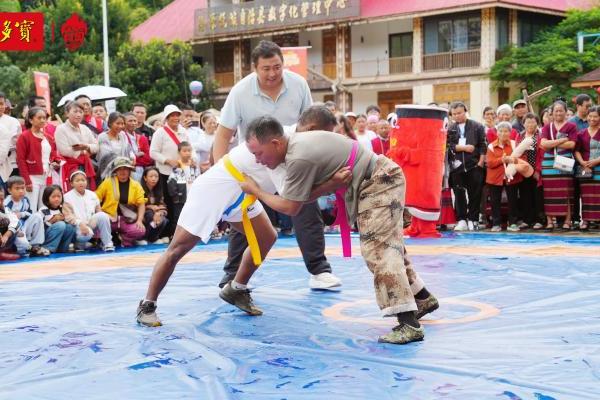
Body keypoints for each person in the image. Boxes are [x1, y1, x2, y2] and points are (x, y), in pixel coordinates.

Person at [237, 116, 438, 345]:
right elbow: (301, 199)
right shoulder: (296, 148)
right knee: (389, 247)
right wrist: (329, 185)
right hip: (378, 178)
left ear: (275, 143)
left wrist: (255, 190)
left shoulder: (298, 156)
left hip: (379, 180)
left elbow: (290, 207)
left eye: (258, 153)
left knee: (380, 251)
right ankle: (422, 298)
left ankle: (409, 324)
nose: (258, 160)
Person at [211, 40, 341, 290]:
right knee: (245, 215)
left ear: (283, 64)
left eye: (277, 67)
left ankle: (319, 270)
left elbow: (311, 124)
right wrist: (222, 173)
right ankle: (232, 275)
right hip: (254, 162)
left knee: (306, 208)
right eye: (266, 68)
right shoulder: (240, 91)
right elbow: (223, 134)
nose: (272, 73)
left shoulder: (298, 84)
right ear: (254, 68)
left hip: (293, 160)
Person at [150, 104, 189, 238]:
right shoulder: (160, 133)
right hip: (165, 172)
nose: (175, 118)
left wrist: (191, 159)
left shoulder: (183, 131)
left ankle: (180, 231)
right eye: (172, 115)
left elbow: (190, 148)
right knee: (169, 201)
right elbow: (153, 152)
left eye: (177, 115)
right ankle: (169, 232)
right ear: (166, 118)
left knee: (181, 201)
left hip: (181, 172)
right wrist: (167, 160)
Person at [486, 122, 533, 231]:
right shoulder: (491, 146)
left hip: (512, 177)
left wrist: (513, 160)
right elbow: (489, 163)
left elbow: (523, 159)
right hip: (495, 178)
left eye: (506, 131)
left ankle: (512, 223)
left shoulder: (514, 144)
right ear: (497, 133)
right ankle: (496, 224)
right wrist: (502, 160)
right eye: (501, 131)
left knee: (513, 200)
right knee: (495, 201)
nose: (503, 133)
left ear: (510, 132)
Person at [448, 102, 487, 231]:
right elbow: (448, 146)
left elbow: (483, 145)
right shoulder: (450, 128)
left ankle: (473, 219)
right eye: (454, 114)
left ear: (465, 111)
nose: (457, 116)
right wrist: (463, 148)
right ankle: (461, 219)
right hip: (456, 167)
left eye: (459, 113)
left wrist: (481, 162)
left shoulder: (477, 126)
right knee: (459, 194)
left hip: (474, 165)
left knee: (475, 193)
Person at [540, 100, 578, 230]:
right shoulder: (547, 127)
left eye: (561, 110)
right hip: (549, 163)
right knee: (549, 192)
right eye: (556, 110)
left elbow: (572, 144)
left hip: (565, 160)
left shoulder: (571, 126)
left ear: (566, 112)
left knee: (566, 191)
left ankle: (567, 221)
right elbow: (543, 144)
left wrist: (552, 143)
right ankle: (550, 221)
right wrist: (562, 140)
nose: (558, 113)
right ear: (552, 112)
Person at [16, 107, 60, 212]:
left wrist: (55, 162)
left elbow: (52, 155)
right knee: (31, 209)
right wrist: (27, 181)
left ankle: (43, 228)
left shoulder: (48, 137)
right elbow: (20, 160)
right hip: (32, 177)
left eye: (44, 118)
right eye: (39, 118)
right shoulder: (24, 136)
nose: (42, 120)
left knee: (44, 209)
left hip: (46, 176)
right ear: (31, 120)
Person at [95, 157, 146, 247]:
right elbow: (95, 199)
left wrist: (139, 220)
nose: (123, 171)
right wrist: (101, 213)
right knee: (96, 227)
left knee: (140, 230)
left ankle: (125, 240)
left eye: (125, 169)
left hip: (127, 220)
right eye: (120, 169)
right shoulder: (107, 182)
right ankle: (104, 241)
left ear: (130, 170)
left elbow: (141, 204)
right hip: (109, 219)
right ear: (115, 171)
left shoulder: (136, 185)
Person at [64, 170, 115, 252]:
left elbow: (99, 211)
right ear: (71, 183)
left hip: (90, 224)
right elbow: (68, 216)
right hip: (77, 226)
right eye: (77, 180)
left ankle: (107, 243)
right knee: (85, 235)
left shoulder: (92, 194)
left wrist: (106, 217)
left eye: (83, 180)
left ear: (86, 182)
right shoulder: (67, 197)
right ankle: (79, 245)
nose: (81, 182)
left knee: (102, 215)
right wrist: (80, 223)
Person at [54, 101, 98, 191]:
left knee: (87, 191)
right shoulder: (61, 129)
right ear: (66, 113)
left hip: (86, 164)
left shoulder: (85, 128)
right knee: (73, 193)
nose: (78, 115)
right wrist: (84, 150)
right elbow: (64, 150)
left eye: (81, 112)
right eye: (75, 111)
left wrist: (86, 147)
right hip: (70, 166)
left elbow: (96, 147)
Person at [4, 176, 49, 256]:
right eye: (17, 189)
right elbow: (7, 220)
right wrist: (16, 230)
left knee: (38, 216)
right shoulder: (6, 202)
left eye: (23, 188)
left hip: (24, 224)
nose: (21, 191)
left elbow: (29, 213)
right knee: (23, 246)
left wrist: (21, 214)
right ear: (9, 190)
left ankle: (36, 245)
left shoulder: (25, 200)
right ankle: (26, 248)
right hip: (15, 229)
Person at [517, 113, 545, 230]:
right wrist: (524, 168)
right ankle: (527, 220)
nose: (530, 124)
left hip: (537, 170)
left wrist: (537, 170)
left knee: (537, 196)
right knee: (525, 196)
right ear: (523, 124)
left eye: (533, 122)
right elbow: (517, 153)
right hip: (523, 170)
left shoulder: (540, 136)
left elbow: (542, 154)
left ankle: (539, 220)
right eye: (527, 122)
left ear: (537, 123)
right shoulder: (520, 136)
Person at [574, 106, 600, 230]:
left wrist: (596, 161)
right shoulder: (581, 133)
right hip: (585, 169)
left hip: (599, 167)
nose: (592, 119)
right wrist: (582, 162)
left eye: (595, 116)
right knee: (586, 195)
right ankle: (586, 220)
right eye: (590, 116)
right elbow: (577, 150)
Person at [167, 141, 200, 228]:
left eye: (189, 151)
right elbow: (171, 182)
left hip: (193, 196)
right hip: (180, 198)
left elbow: (199, 180)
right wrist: (175, 196)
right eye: (184, 151)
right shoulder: (176, 167)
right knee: (179, 217)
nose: (187, 153)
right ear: (179, 152)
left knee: (193, 216)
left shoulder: (194, 166)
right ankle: (175, 236)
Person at [38, 185, 77, 253]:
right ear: (47, 198)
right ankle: (47, 248)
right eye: (53, 197)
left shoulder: (63, 209)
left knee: (70, 227)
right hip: (46, 236)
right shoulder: (43, 210)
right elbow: (39, 229)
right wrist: (52, 221)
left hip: (59, 236)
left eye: (59, 196)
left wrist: (66, 219)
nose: (57, 199)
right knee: (60, 225)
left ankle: (63, 248)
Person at [97, 112, 132, 180]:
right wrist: (122, 162)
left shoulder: (123, 135)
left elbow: (128, 149)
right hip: (109, 170)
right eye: (117, 123)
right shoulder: (103, 137)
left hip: (124, 169)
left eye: (122, 124)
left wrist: (132, 158)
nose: (120, 126)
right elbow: (106, 155)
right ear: (110, 123)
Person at [140, 167, 169, 244]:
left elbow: (163, 206)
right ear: (145, 178)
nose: (154, 179)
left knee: (163, 219)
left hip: (156, 213)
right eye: (151, 176)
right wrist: (150, 207)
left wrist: (160, 213)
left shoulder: (159, 190)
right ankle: (142, 238)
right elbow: (136, 205)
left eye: (156, 176)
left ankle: (153, 238)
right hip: (142, 214)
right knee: (150, 214)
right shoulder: (139, 189)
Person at [123, 112, 153, 181]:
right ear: (124, 123)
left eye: (135, 121)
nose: (133, 123)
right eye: (130, 121)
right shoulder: (122, 137)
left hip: (141, 170)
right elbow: (124, 157)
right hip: (126, 170)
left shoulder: (142, 138)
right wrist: (137, 156)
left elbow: (148, 158)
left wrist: (134, 158)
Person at [0, 91, 22, 179]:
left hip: (11, 164)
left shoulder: (13, 122)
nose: (0, 107)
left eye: (1, 104)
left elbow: (19, 143)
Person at [0, 186, 22, 260]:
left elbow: (16, 222)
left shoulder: (5, 209)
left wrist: (6, 235)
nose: (0, 202)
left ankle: (2, 252)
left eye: (1, 199)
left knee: (8, 222)